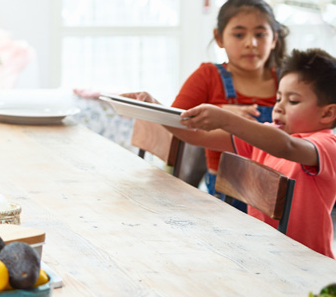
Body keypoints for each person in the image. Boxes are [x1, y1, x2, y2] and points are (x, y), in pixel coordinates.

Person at [132, 48, 336, 258]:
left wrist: (226, 119)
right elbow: (196, 136)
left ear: (328, 113)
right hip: (264, 253)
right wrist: (153, 107)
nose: (279, 108)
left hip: (308, 262)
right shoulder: (265, 136)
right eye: (278, 99)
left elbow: (287, 147)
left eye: (292, 101)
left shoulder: (326, 145)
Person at [171, 0, 287, 204]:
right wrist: (220, 112)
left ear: (274, 39)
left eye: (260, 34)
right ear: (219, 38)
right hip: (225, 197)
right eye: (239, 34)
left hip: (282, 195)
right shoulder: (207, 76)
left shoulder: (288, 81)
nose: (251, 43)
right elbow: (174, 120)